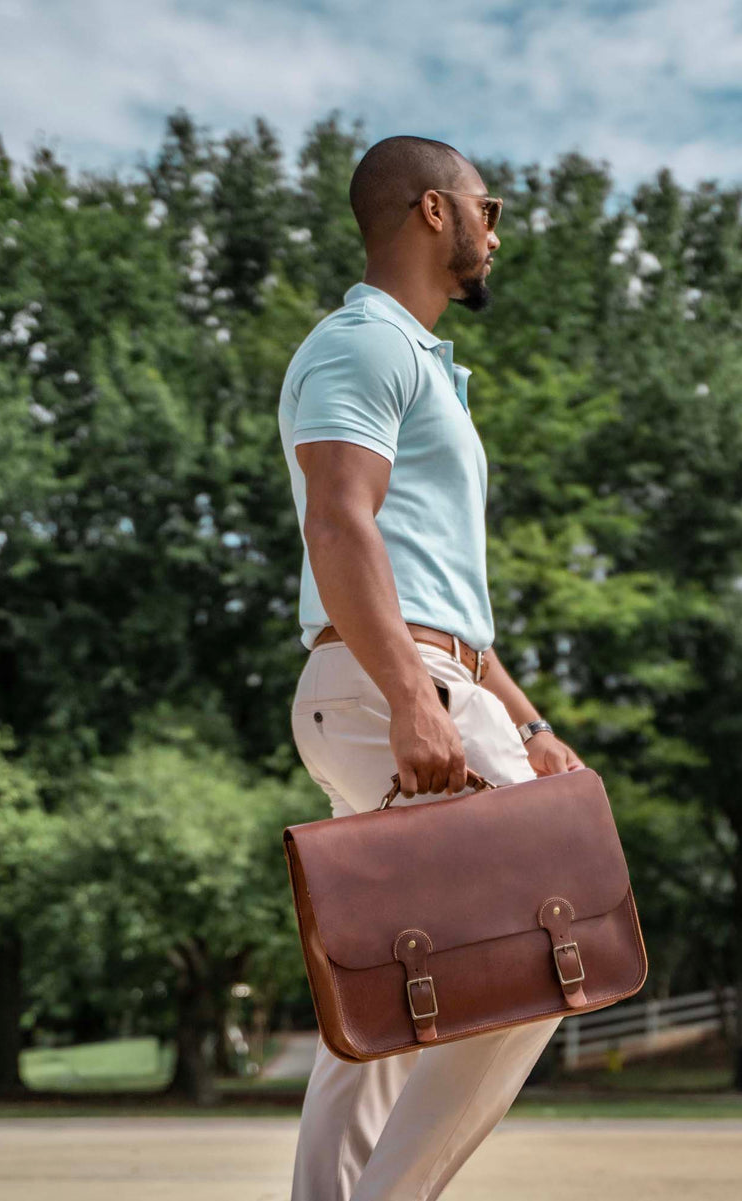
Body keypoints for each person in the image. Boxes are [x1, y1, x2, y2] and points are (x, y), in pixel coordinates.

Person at [277, 134, 586, 1201]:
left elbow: (444, 596)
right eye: (485, 206)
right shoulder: (362, 344)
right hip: (389, 678)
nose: (497, 231)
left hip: (410, 671)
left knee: (399, 987)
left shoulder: (421, 363)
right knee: (546, 938)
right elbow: (338, 519)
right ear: (431, 212)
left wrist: (533, 726)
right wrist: (413, 696)